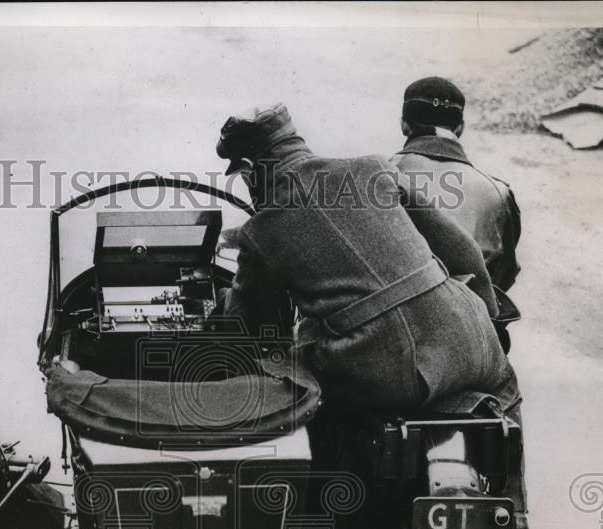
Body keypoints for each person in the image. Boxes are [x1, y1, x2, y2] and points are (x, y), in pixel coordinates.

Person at [216, 103, 518, 416]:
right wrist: (490, 324)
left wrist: (224, 301)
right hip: (474, 341)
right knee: (507, 398)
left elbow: (248, 328)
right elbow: (463, 250)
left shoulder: (260, 229)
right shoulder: (374, 168)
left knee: (282, 372)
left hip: (393, 377)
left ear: (250, 170)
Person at [390, 77, 522, 295]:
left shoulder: (375, 177)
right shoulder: (499, 192)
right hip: (470, 322)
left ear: (404, 125)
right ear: (460, 128)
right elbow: (504, 274)